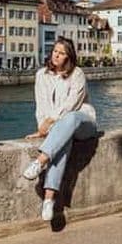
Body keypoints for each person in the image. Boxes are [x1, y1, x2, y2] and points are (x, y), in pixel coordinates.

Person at [22, 37, 97, 221]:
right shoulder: (42, 75)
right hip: (60, 128)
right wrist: (42, 126)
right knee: (63, 141)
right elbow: (41, 104)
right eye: (55, 51)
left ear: (68, 57)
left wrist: (51, 121)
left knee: (70, 119)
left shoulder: (77, 74)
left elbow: (72, 105)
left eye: (61, 53)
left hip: (83, 122)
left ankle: (40, 161)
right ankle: (49, 199)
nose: (56, 55)